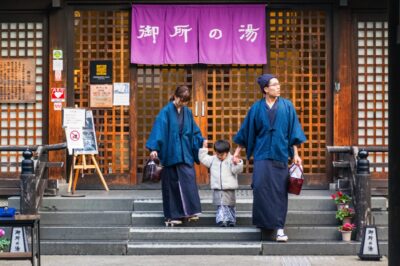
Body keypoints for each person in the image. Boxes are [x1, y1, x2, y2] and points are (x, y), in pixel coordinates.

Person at [232, 74, 306, 242]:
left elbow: (293, 132)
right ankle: (265, 224)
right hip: (262, 154)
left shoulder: (287, 106)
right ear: (265, 89)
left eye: (279, 84)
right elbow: (246, 131)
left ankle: (280, 228)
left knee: (280, 191)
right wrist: (237, 151)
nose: (278, 87)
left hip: (280, 154)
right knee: (260, 188)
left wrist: (295, 154)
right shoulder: (256, 108)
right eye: (274, 85)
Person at [146, 85, 204, 227]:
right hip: (170, 151)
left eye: (185, 101)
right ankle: (172, 216)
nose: (183, 103)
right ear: (175, 96)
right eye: (181, 100)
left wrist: (201, 140)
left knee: (189, 179)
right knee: (171, 185)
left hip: (185, 151)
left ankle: (189, 211)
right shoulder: (165, 112)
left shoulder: (188, 112)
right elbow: (159, 129)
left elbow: (194, 131)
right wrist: (154, 148)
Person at [198, 140, 243, 227]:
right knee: (221, 205)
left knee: (230, 205)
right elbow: (203, 158)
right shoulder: (213, 160)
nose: (219, 156)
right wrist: (204, 148)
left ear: (227, 152)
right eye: (218, 154)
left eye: (221, 155)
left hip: (229, 187)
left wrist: (238, 163)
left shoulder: (231, 159)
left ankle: (231, 220)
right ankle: (221, 220)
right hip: (217, 187)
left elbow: (236, 170)